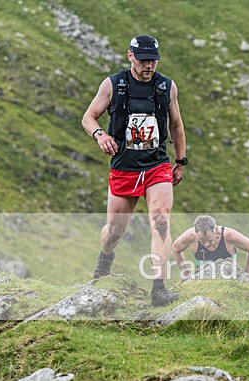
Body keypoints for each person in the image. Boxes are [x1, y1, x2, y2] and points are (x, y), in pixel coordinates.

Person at [81, 35, 187, 306]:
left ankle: (159, 289)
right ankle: (106, 258)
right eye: (143, 60)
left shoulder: (166, 87)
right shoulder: (113, 85)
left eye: (153, 60)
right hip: (124, 167)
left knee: (161, 220)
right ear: (130, 56)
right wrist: (99, 135)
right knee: (114, 232)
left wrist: (180, 161)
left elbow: (176, 124)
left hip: (156, 165)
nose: (148, 66)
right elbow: (88, 116)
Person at [172, 215, 249, 278]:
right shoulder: (190, 236)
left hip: (229, 278)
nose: (206, 245)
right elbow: (175, 249)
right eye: (202, 241)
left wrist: (248, 274)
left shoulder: (229, 236)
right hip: (203, 280)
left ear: (216, 229)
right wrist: (186, 274)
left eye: (209, 240)